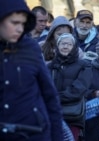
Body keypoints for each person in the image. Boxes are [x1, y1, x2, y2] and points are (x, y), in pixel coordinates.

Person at [0, 0, 63, 141]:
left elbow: (50, 96)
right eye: (15, 23)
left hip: (34, 133)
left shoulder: (30, 48)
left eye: (22, 24)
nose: (19, 29)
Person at [47, 33, 92, 141]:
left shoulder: (84, 66)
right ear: (57, 46)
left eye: (69, 44)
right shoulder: (49, 66)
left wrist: (55, 98)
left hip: (72, 115)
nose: (65, 46)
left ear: (74, 47)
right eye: (62, 44)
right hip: (52, 114)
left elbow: (78, 89)